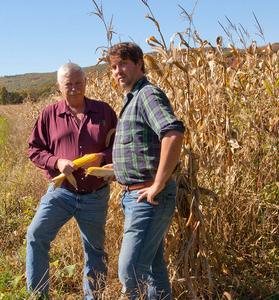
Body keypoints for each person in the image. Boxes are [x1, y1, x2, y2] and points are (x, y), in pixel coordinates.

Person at [26, 62, 118, 299]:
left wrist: (102, 157)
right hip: (61, 191)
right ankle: (38, 295)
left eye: (79, 83)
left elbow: (119, 147)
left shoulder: (104, 111)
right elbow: (34, 150)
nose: (75, 88)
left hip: (95, 195)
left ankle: (93, 297)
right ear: (59, 86)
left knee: (95, 250)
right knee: (36, 235)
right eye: (69, 84)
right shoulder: (49, 114)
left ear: (86, 83)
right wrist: (57, 162)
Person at [105, 42, 185, 299]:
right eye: (114, 67)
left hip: (148, 199)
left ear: (139, 64)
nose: (118, 71)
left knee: (130, 269)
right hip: (134, 197)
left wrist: (159, 183)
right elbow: (143, 146)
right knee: (152, 266)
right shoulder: (133, 98)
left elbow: (172, 133)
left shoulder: (147, 94)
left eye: (124, 64)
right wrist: (119, 167)